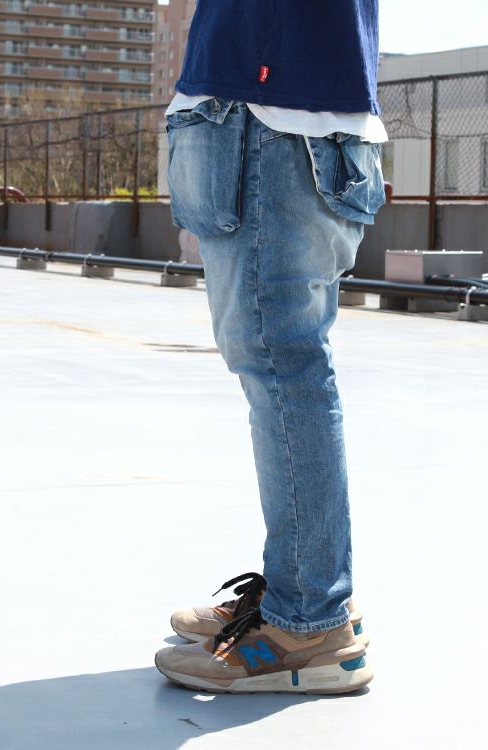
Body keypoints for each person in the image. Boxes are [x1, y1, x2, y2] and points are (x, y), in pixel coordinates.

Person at [154, 0, 388, 694]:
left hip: (269, 112)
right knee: (290, 365)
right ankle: (307, 590)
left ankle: (308, 624)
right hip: (301, 109)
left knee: (283, 367)